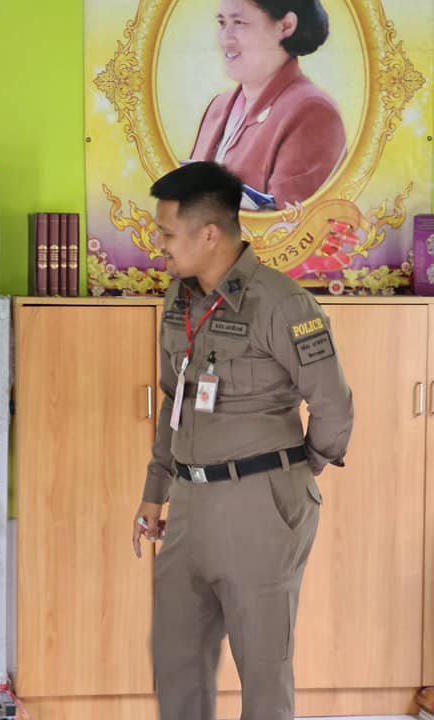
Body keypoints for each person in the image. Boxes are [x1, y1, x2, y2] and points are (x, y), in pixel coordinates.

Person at [132, 162, 353, 720]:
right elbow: (174, 401)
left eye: (167, 233)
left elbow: (333, 406)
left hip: (260, 502)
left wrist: (295, 472)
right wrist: (156, 490)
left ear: (209, 234)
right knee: (177, 658)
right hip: (189, 502)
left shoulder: (281, 304)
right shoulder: (179, 300)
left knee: (262, 665)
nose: (159, 245)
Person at [190, 0, 345, 209]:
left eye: (239, 22)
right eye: (222, 23)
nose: (226, 39)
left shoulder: (313, 113)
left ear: (286, 26)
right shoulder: (218, 107)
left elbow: (291, 225)